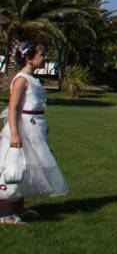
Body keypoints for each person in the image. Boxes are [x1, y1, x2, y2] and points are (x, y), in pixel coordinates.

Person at [0, 41, 68, 225]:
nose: (45, 58)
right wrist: (14, 134)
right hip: (23, 129)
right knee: (14, 166)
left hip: (34, 126)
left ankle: (19, 208)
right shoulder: (21, 79)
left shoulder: (33, 79)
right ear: (29, 58)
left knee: (29, 167)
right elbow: (13, 108)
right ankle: (5, 214)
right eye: (42, 55)